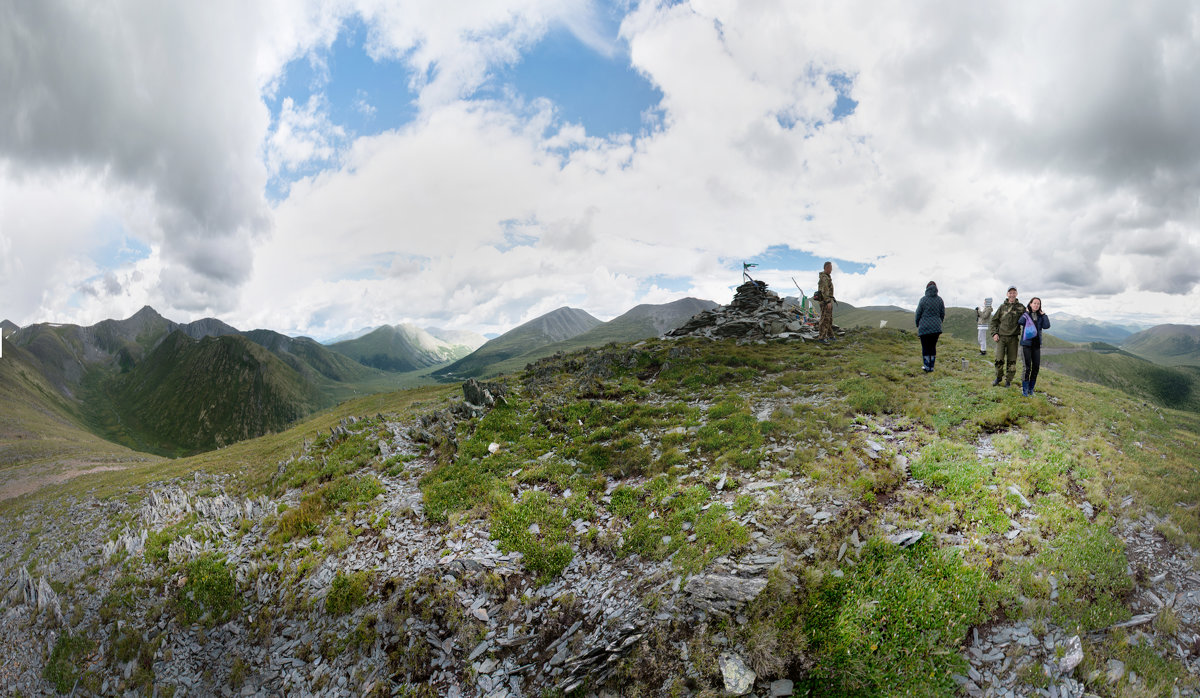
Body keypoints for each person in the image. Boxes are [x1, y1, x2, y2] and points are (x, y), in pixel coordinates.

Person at [988, 286, 1025, 387]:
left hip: (1013, 338)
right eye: (1010, 292)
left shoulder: (1021, 308)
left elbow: (1028, 319)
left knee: (1012, 361)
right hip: (1001, 338)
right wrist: (994, 333)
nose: (1012, 294)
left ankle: (1008, 380)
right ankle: (998, 377)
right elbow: (994, 321)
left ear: (1016, 294)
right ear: (1007, 294)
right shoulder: (1002, 307)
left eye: (1014, 292)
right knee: (999, 359)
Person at [1019, 297, 1051, 396]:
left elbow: (1046, 326)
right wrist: (1027, 313)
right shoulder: (1026, 314)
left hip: (1036, 345)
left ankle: (1031, 389)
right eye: (1034, 303)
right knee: (1027, 367)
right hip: (1026, 345)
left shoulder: (1041, 316)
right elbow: (1020, 322)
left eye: (1038, 304)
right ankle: (1024, 389)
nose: (1036, 305)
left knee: (1036, 367)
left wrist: (1044, 315)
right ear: (1031, 304)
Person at [915, 281, 945, 372]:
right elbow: (942, 313)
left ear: (927, 288)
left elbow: (918, 314)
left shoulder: (923, 300)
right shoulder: (940, 300)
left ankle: (926, 366)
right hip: (936, 328)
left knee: (925, 347)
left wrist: (918, 324)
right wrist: (939, 323)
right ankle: (931, 367)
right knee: (933, 347)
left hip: (924, 327)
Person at [816, 261, 835, 342]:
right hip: (825, 302)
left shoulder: (827, 277)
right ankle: (821, 338)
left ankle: (830, 335)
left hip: (828, 300)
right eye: (830, 268)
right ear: (826, 268)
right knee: (824, 319)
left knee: (829, 319)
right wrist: (827, 301)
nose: (831, 269)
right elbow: (824, 290)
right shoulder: (824, 278)